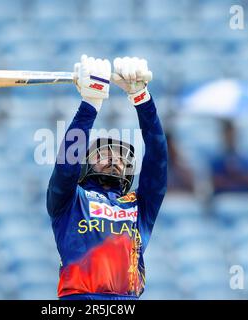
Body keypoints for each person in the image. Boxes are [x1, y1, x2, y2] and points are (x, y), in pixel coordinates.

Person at [46, 55, 168, 300]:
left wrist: (141, 99)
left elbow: (157, 155)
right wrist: (90, 105)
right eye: (104, 154)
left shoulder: (139, 206)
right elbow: (66, 163)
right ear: (86, 163)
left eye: (122, 157)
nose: (115, 159)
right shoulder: (70, 202)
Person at [211, 120, 248, 195]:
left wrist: (238, 175)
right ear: (223, 137)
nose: (231, 138)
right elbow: (214, 182)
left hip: (246, 198)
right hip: (224, 198)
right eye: (228, 136)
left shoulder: (247, 161)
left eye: (233, 135)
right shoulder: (216, 161)